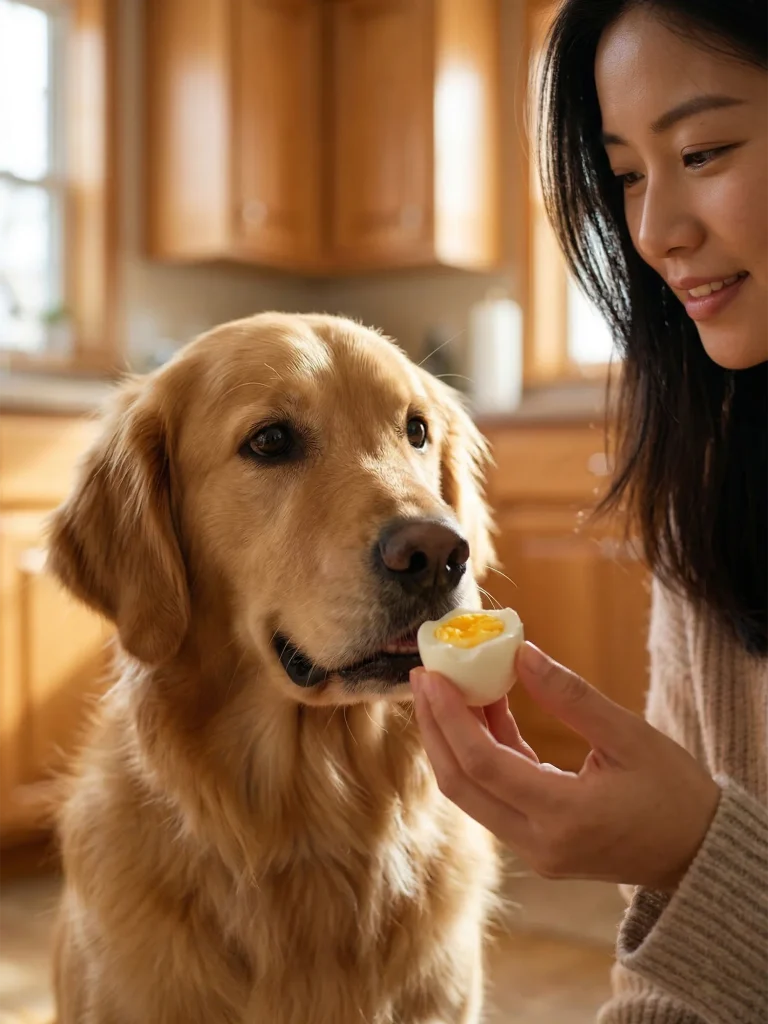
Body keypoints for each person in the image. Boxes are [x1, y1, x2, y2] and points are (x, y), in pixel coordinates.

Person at [410, 2, 768, 1022]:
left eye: (702, 149)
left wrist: (698, 850)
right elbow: (671, 979)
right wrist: (682, 865)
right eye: (627, 175)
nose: (655, 233)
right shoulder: (710, 480)